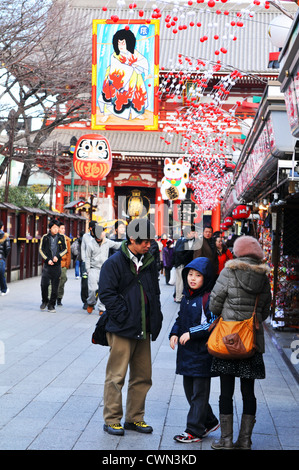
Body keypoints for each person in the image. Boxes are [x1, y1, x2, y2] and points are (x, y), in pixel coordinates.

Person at [98, 218, 163, 436]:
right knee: (116, 376)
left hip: (144, 327)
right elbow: (107, 294)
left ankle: (135, 418)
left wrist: (157, 315)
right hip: (122, 328)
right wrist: (124, 316)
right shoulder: (114, 263)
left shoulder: (150, 261)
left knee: (143, 376)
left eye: (150, 241)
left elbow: (155, 291)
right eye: (144, 241)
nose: (148, 245)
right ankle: (112, 419)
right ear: (132, 239)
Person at [209, 235, 272, 450]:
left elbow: (214, 306)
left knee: (226, 390)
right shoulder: (264, 278)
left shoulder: (228, 271)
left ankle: (226, 440)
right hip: (250, 343)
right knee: (248, 392)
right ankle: (245, 441)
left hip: (227, 339)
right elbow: (265, 312)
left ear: (238, 252)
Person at [169, 257, 219, 443]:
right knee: (189, 391)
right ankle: (209, 421)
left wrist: (191, 333)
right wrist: (174, 333)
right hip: (186, 354)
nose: (193, 278)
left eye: (198, 276)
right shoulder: (187, 297)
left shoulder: (209, 298)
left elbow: (211, 324)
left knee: (199, 394)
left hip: (202, 355)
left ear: (205, 278)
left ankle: (194, 430)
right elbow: (180, 318)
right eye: (190, 274)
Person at [85, 224, 122, 314]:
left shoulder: (107, 242)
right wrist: (88, 270)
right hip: (93, 269)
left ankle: (102, 308)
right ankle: (91, 303)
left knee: (103, 289)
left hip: (104, 269)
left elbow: (117, 245)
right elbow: (87, 258)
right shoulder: (90, 244)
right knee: (93, 289)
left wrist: (129, 242)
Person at [39, 219, 67, 313]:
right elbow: (41, 250)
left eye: (57, 227)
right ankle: (44, 301)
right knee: (44, 284)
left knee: (55, 286)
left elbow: (65, 249)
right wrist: (47, 259)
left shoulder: (62, 237)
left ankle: (52, 305)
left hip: (57, 265)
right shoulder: (45, 237)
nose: (56, 229)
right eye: (54, 227)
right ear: (50, 228)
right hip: (47, 265)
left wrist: (58, 256)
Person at [174, 226, 199, 303]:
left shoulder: (181, 240)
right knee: (180, 281)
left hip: (179, 264)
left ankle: (177, 296)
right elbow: (181, 253)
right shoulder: (184, 241)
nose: (194, 234)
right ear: (188, 233)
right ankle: (179, 297)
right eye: (193, 232)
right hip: (181, 264)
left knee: (178, 281)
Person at [56, 222, 71, 306]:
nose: (63, 230)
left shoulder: (67, 239)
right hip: (54, 264)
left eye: (64, 228)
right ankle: (52, 297)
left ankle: (59, 298)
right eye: (62, 228)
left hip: (63, 263)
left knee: (62, 281)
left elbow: (69, 253)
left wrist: (67, 265)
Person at [0, 220, 11, 296]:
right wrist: (4, 257)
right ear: (2, 227)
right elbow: (7, 249)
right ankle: (4, 290)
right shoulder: (5, 236)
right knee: (1, 274)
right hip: (1, 258)